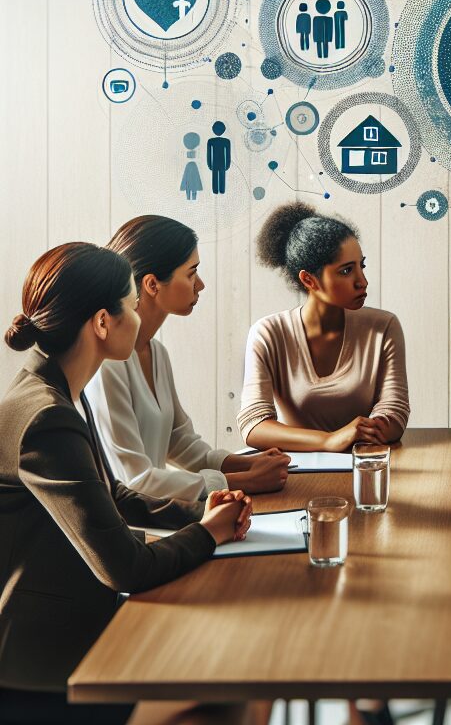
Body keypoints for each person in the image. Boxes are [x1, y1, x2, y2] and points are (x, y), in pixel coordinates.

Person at [0, 242, 251, 723]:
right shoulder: (46, 417)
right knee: (234, 690)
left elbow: (110, 495)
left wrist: (203, 511)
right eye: (133, 306)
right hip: (42, 665)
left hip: (79, 625)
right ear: (102, 323)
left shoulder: (56, 391)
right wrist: (210, 533)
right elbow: (125, 567)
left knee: (236, 671)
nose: (139, 318)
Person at [85, 216, 291, 502]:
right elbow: (133, 480)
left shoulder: (157, 353)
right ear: (152, 284)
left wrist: (245, 463)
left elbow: (178, 440)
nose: (201, 285)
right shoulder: (107, 365)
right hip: (130, 529)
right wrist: (242, 481)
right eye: (192, 273)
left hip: (161, 516)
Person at [238, 202, 410, 451]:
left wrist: (374, 428)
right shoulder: (268, 334)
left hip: (367, 463)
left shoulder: (384, 328)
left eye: (362, 266)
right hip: (296, 473)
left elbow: (395, 410)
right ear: (309, 279)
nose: (362, 281)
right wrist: (329, 440)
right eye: (346, 270)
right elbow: (253, 425)